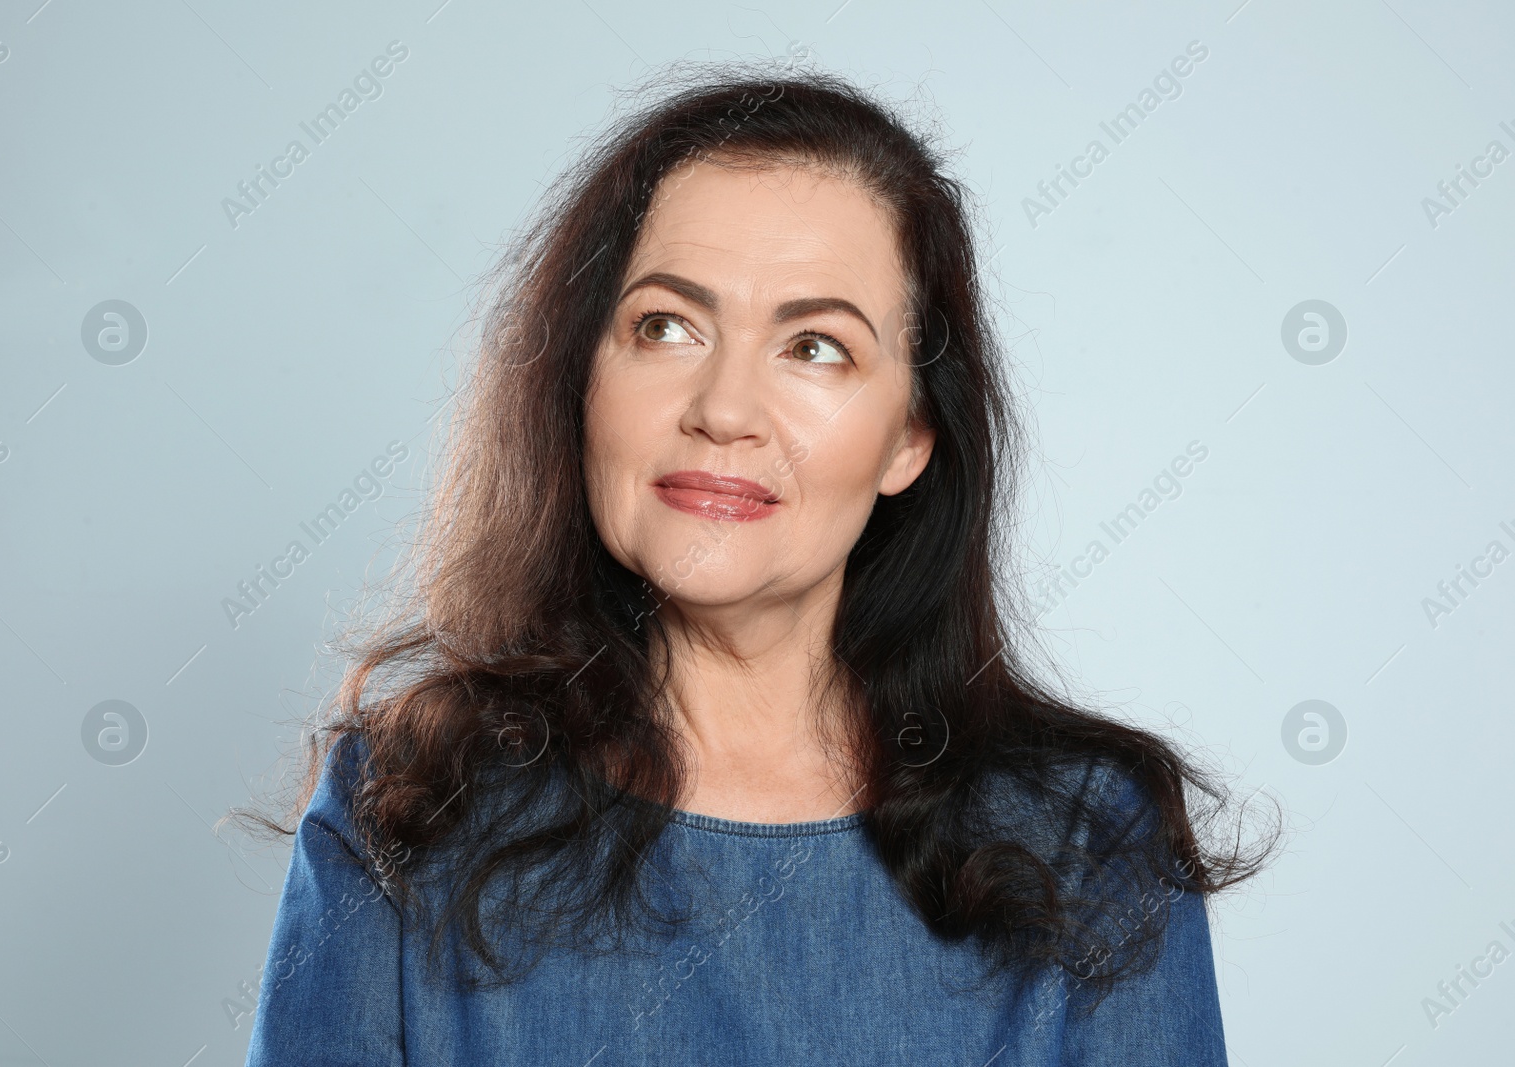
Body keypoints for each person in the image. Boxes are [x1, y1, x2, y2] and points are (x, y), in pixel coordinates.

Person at [240, 65, 1272, 1066]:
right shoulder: (411, 803)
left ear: (910, 433)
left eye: (816, 346)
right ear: (581, 382)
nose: (724, 409)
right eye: (666, 326)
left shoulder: (1090, 838)